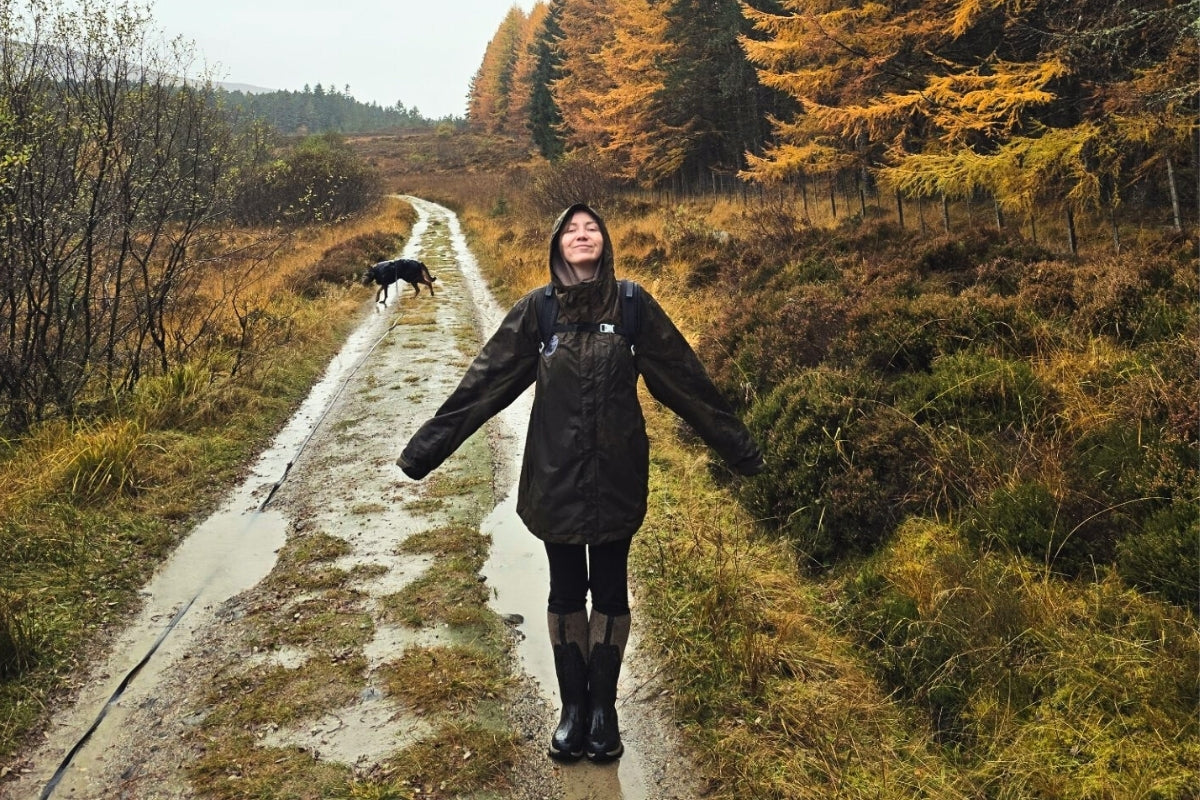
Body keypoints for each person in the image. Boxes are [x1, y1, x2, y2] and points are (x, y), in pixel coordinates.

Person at [396, 203, 764, 763]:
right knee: (567, 590)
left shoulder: (635, 305)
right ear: (556, 245)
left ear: (606, 242)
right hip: (555, 477)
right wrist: (425, 451)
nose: (582, 234)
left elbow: (686, 382)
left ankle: (603, 711)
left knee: (611, 590)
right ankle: (572, 709)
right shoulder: (538, 313)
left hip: (616, 474)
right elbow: (485, 385)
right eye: (571, 229)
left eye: (591, 227)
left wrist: (739, 447)